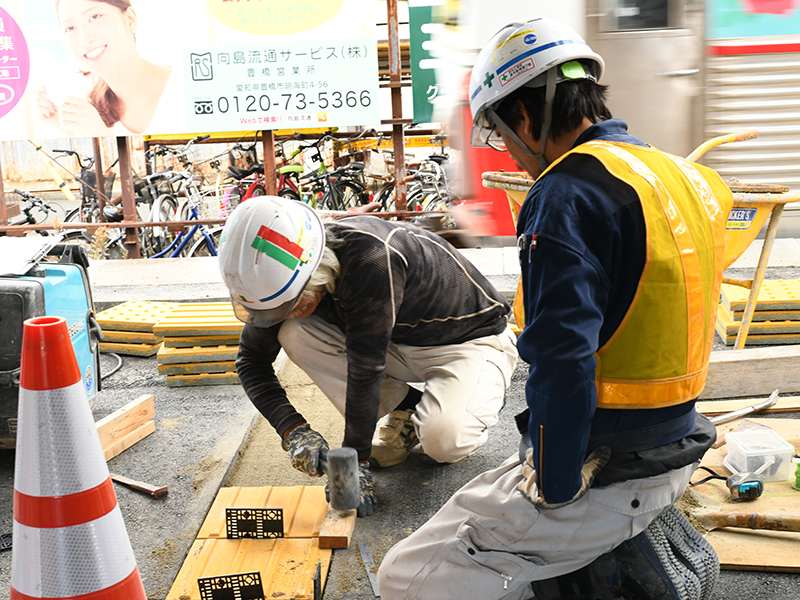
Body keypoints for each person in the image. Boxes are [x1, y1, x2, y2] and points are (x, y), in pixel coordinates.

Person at [377, 17, 733, 600]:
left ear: (524, 115)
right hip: (679, 441)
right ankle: (608, 543)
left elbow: (562, 359)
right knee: (478, 510)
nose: (510, 155)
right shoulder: (681, 176)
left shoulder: (565, 193)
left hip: (611, 460)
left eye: (498, 132)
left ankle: (602, 541)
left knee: (402, 579)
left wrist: (556, 484)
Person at [217, 196, 518, 517]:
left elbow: (366, 367)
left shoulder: (372, 258)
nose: (287, 312)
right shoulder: (278, 281)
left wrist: (354, 463)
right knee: (294, 331)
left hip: (467, 342)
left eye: (294, 302)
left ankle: (476, 399)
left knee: (445, 441)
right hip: (394, 339)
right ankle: (406, 409)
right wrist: (294, 432)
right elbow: (251, 361)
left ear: (318, 267)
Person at [34, 0, 171, 137]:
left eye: (94, 17)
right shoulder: (90, 112)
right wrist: (68, 133)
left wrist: (102, 136)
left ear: (130, 20)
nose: (84, 39)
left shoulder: (184, 88)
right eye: (70, 28)